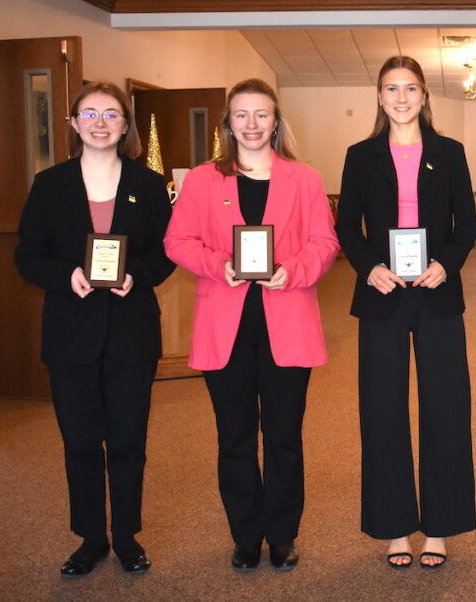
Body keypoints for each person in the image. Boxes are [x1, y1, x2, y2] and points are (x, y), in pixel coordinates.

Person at [164, 78, 339, 572]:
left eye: (262, 115)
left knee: (284, 435)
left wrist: (295, 270)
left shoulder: (304, 179)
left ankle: (282, 535)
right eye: (241, 115)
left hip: (288, 321)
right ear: (228, 123)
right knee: (235, 437)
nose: (252, 125)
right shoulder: (202, 180)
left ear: (276, 122)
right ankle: (245, 536)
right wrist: (219, 265)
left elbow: (325, 243)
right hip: (226, 326)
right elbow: (177, 241)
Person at [14, 81, 175, 577]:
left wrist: (137, 276)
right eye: (89, 114)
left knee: (128, 440)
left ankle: (126, 536)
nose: (100, 123)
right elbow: (27, 255)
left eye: (110, 114)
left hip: (131, 333)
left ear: (125, 125)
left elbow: (167, 251)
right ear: (74, 124)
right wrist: (67, 276)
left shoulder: (148, 185)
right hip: (70, 334)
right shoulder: (50, 184)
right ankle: (90, 537)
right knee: (80, 442)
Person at [336, 56, 476, 570]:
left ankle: (439, 527)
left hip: (437, 290)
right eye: (391, 89)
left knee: (445, 407)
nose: (401, 98)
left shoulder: (450, 153)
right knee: (382, 409)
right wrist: (370, 266)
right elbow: (347, 226)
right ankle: (394, 526)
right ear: (380, 97)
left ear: (424, 97)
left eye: (411, 89)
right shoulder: (360, 155)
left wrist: (447, 263)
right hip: (383, 292)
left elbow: (468, 223)